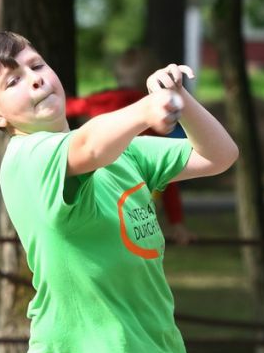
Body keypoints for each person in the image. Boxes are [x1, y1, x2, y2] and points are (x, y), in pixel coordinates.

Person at [0, 31, 238, 353]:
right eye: (13, 81)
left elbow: (219, 156)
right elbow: (88, 145)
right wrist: (145, 109)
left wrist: (180, 99)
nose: (35, 78)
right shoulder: (26, 160)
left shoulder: (123, 153)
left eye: (37, 66)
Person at [65, 48, 193, 245]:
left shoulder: (103, 100)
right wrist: (177, 221)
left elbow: (70, 106)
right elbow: (166, 174)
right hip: (136, 185)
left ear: (117, 74)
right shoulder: (158, 110)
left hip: (101, 180)